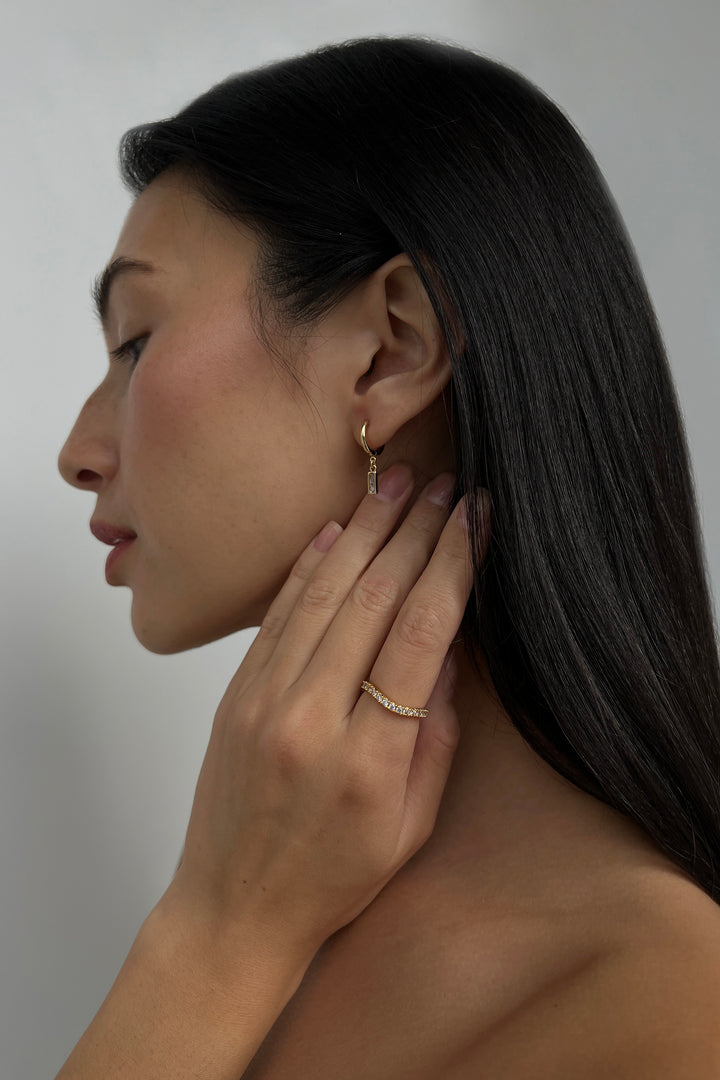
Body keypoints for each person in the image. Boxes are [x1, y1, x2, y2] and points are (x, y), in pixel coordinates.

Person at [55, 35, 720, 1079]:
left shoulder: (669, 1010)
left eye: (137, 343)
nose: (77, 453)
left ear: (392, 348)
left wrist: (213, 940)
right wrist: (219, 931)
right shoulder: (282, 897)